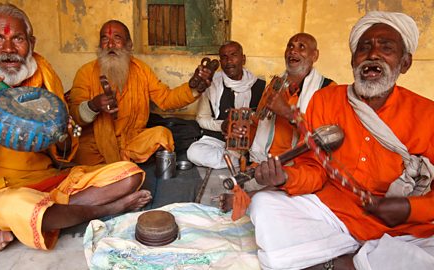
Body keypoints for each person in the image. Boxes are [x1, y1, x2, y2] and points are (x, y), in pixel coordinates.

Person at [0, 3, 152, 252]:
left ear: (31, 42)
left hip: (50, 179)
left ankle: (39, 217)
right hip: (0, 190)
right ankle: (104, 209)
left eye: (17, 39)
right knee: (13, 204)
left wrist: (57, 129)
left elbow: (67, 147)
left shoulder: (44, 76)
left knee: (129, 175)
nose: (8, 49)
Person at [250, 11, 434, 269]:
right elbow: (314, 168)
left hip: (402, 229)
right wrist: (285, 178)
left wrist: (408, 209)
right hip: (335, 214)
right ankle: (353, 258)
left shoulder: (427, 114)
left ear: (405, 63)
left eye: (387, 48)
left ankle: (335, 260)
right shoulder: (326, 99)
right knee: (264, 205)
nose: (373, 54)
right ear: (353, 59)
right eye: (364, 48)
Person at [68, 20, 213, 166]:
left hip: (131, 140)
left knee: (162, 135)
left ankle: (123, 167)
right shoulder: (85, 72)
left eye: (117, 38)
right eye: (105, 39)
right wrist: (93, 105)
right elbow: (74, 115)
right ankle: (125, 169)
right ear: (100, 45)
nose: (110, 45)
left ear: (129, 45)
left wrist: (193, 88)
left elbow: (166, 99)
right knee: (82, 156)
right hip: (96, 145)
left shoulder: (141, 70)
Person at [219, 33, 334, 212]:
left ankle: (251, 198)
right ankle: (261, 192)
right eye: (290, 46)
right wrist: (241, 130)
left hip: (297, 165)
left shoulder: (328, 90)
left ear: (315, 55)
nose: (293, 51)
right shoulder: (275, 85)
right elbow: (258, 122)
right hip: (262, 161)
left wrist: (288, 113)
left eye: (301, 47)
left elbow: (326, 138)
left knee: (309, 179)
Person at [186, 41, 265, 169]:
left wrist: (245, 129)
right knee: (193, 152)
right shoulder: (211, 84)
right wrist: (223, 126)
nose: (229, 61)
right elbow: (201, 119)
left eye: (233, 55)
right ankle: (237, 160)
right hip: (218, 141)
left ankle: (236, 158)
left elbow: (265, 123)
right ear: (220, 62)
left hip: (249, 143)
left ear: (243, 59)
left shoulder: (260, 86)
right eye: (224, 57)